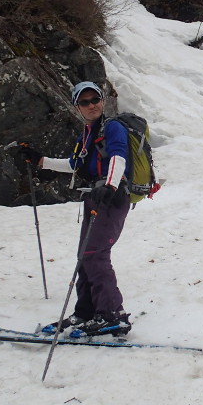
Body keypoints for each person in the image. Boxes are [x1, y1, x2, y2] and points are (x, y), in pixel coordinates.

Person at [19, 81, 132, 337]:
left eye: (95, 100)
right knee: (85, 255)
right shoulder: (87, 134)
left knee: (95, 254)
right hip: (95, 196)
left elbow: (118, 156)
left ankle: (113, 315)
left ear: (102, 101)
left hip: (111, 198)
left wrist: (111, 186)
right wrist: (41, 161)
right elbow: (75, 164)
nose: (91, 105)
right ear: (76, 107)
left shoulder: (112, 127)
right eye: (85, 102)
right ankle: (86, 312)